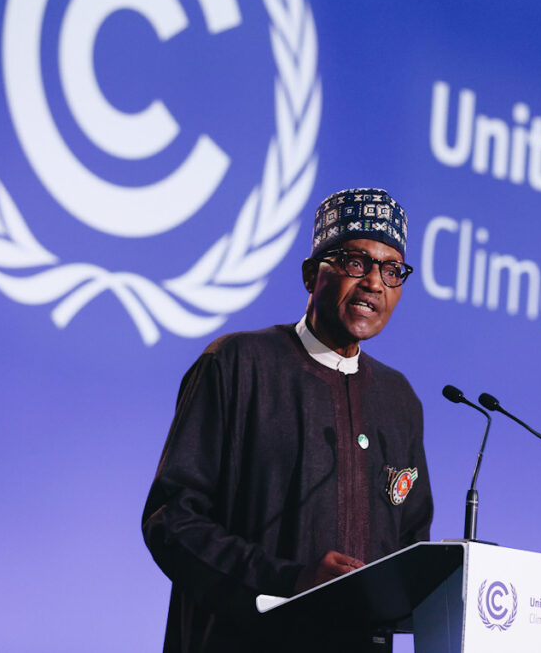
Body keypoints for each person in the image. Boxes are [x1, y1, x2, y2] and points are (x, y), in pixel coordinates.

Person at [142, 188, 434, 652]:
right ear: (309, 274)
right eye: (355, 262)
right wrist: (289, 580)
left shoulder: (399, 401)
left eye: (391, 269)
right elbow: (172, 519)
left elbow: (411, 544)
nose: (374, 283)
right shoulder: (238, 364)